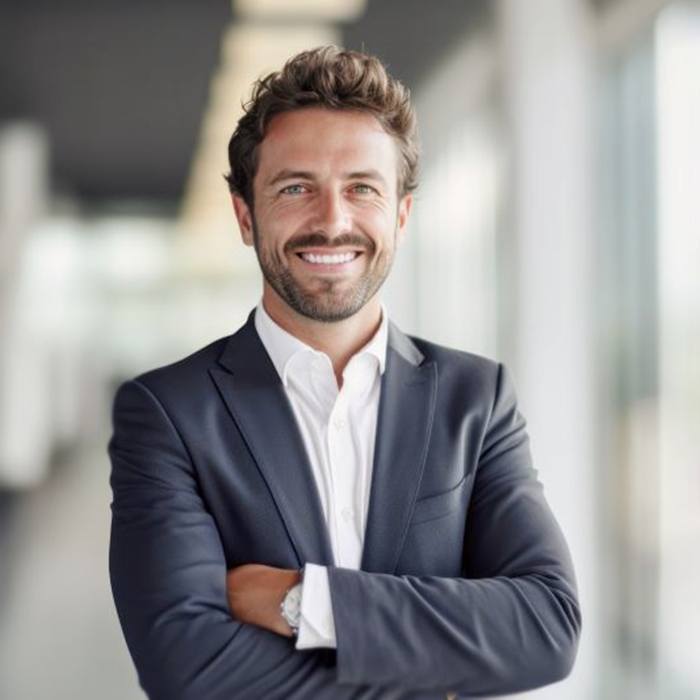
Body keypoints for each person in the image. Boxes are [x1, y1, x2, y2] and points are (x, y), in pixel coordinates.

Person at [108, 46, 581, 699]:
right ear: (246, 215)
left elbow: (546, 628)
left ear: (401, 214)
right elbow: (187, 669)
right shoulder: (169, 413)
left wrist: (307, 603)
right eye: (296, 188)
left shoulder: (476, 401)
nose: (332, 221)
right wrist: (429, 667)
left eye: (362, 188)